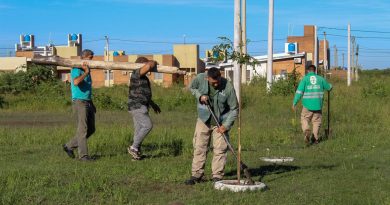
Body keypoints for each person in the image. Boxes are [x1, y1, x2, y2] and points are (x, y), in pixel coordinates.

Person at [185, 67, 238, 185]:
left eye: (218, 81)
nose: (216, 84)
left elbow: (234, 109)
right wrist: (200, 96)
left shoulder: (228, 86)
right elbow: (192, 88)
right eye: (213, 82)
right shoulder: (199, 78)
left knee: (220, 148)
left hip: (221, 121)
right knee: (199, 146)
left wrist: (226, 125)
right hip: (203, 119)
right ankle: (196, 175)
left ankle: (217, 176)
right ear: (207, 78)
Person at [63, 49, 96, 161]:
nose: (92, 60)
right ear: (84, 57)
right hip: (79, 101)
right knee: (83, 129)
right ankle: (83, 156)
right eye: (90, 58)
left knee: (91, 129)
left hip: (88, 101)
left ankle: (69, 146)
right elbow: (76, 82)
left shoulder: (87, 70)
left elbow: (87, 88)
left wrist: (92, 103)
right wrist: (86, 72)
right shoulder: (76, 68)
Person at [127, 57, 161, 160]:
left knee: (138, 130)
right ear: (141, 65)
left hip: (141, 105)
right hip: (137, 106)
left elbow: (144, 93)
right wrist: (153, 62)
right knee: (147, 125)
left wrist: (153, 104)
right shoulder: (136, 73)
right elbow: (149, 65)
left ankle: (135, 154)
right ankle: (133, 148)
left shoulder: (143, 77)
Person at [292, 65, 332, 145]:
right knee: (317, 122)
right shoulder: (321, 79)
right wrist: (331, 86)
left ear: (307, 71)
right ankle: (315, 139)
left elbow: (299, 92)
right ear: (315, 71)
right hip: (318, 105)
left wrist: (294, 103)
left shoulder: (305, 79)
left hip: (307, 105)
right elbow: (328, 87)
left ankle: (306, 130)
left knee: (304, 119)